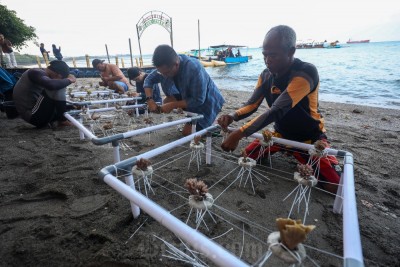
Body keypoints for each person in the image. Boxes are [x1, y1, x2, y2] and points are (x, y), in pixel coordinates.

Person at [217, 25, 340, 193]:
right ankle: (291, 153)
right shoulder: (265, 75)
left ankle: (304, 155)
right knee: (246, 157)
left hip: (310, 138)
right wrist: (232, 116)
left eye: (273, 55)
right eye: (264, 55)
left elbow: (276, 111)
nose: (267, 60)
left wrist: (239, 133)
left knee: (333, 186)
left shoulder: (305, 73)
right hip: (280, 135)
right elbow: (252, 104)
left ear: (291, 51)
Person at [143, 44, 225, 136]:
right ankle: (199, 123)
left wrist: (172, 105)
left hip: (208, 102)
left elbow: (198, 100)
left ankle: (214, 127)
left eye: (166, 73)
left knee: (187, 134)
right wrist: (149, 99)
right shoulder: (165, 67)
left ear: (176, 65)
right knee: (167, 100)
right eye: (160, 73)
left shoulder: (193, 68)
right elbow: (148, 80)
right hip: (188, 97)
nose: (163, 75)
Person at [12, 60, 76, 128]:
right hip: (32, 115)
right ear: (58, 75)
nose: (60, 79)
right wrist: (69, 80)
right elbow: (52, 85)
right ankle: (62, 121)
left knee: (71, 107)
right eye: (61, 78)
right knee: (57, 87)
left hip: (40, 111)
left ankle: (61, 118)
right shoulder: (35, 72)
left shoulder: (42, 75)